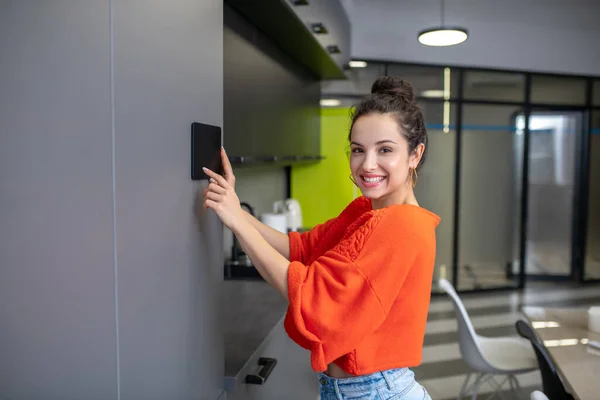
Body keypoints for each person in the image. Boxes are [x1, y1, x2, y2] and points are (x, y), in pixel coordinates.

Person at [203, 76, 439, 400]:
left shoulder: (399, 226)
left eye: (385, 149)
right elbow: (301, 248)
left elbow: (314, 297)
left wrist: (237, 223)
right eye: (358, 150)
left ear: (415, 154)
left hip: (375, 393)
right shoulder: (367, 210)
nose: (368, 164)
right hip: (357, 390)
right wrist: (234, 208)